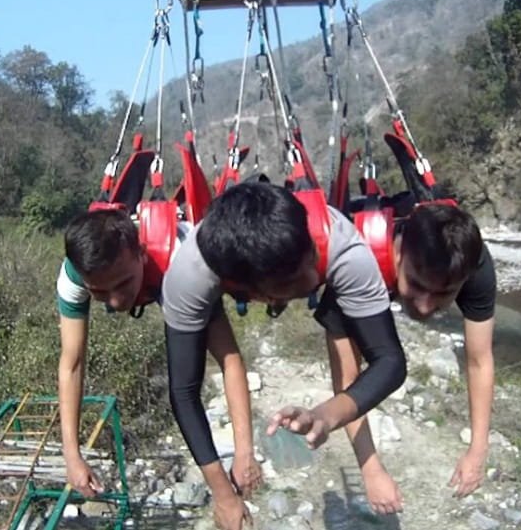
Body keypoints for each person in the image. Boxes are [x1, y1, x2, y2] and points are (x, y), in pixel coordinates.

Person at [161, 182, 407, 530]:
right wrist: (222, 492)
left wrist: (326, 414)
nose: (313, 274)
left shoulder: (342, 249)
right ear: (257, 296)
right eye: (296, 280)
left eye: (310, 260)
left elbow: (390, 362)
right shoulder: (189, 276)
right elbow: (184, 391)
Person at [55, 208, 263, 510]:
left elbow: (228, 359)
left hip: (175, 271)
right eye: (99, 292)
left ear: (140, 253)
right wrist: (72, 455)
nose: (115, 301)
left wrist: (244, 451)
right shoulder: (73, 275)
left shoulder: (186, 264)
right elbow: (71, 364)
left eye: (123, 284)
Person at [319, 200, 496, 501]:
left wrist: (477, 451)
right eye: (416, 284)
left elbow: (479, 361)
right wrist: (371, 469)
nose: (425, 306)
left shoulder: (474, 264)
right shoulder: (354, 263)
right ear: (398, 253)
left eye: (443, 294)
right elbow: (349, 382)